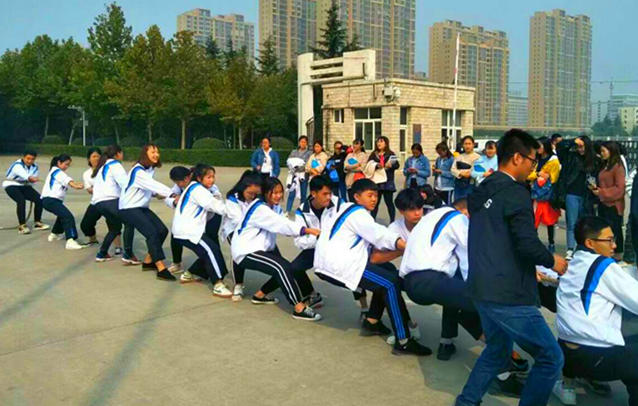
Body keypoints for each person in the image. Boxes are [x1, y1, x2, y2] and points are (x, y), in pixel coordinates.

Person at [455, 129, 569, 406]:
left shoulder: (483, 188)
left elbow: (498, 237)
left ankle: (467, 402)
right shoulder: (516, 193)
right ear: (517, 158)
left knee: (497, 350)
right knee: (551, 357)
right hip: (506, 293)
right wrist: (554, 261)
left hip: (481, 285)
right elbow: (527, 243)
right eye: (532, 161)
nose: (534, 167)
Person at [313, 178, 432, 356]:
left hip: (330, 263)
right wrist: (406, 246)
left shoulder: (344, 209)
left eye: (376, 195)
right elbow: (380, 234)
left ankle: (372, 321)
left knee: (388, 271)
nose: (374, 199)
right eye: (369, 195)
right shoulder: (360, 214)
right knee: (390, 284)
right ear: (356, 197)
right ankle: (403, 341)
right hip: (342, 265)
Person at [553, 216, 638, 406]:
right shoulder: (604, 266)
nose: (614, 245)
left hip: (567, 354)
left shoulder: (572, 263)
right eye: (609, 240)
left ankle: (567, 388)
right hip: (596, 359)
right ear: (590, 243)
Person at [231, 177, 322, 321]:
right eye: (275, 193)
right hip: (246, 250)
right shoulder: (260, 208)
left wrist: (303, 232)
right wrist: (307, 230)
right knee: (281, 267)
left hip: (262, 247)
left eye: (280, 192)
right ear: (265, 192)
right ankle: (299, 308)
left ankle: (260, 295)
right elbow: (281, 224)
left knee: (288, 269)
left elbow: (284, 225)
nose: (279, 196)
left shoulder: (274, 207)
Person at [171, 164, 233, 297]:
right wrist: (233, 210)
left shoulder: (194, 188)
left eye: (213, 177)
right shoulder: (198, 190)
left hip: (185, 231)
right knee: (211, 251)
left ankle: (190, 274)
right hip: (188, 232)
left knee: (210, 249)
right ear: (199, 178)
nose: (212, 180)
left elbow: (209, 211)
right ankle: (218, 284)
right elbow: (213, 205)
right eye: (208, 177)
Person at [119, 144, 177, 281]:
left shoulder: (149, 169)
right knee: (152, 233)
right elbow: (153, 185)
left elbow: (145, 188)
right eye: (153, 152)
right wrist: (173, 194)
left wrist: (155, 194)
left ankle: (148, 261)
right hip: (129, 208)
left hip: (141, 207)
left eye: (157, 152)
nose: (156, 154)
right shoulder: (138, 171)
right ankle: (160, 267)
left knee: (162, 230)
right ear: (145, 154)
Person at [288, 175, 342, 309]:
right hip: (316, 248)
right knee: (294, 268)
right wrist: (318, 237)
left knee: (354, 271)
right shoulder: (302, 211)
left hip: (338, 248)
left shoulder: (340, 205)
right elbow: (299, 242)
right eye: (325, 194)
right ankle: (312, 295)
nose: (329, 197)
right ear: (313, 193)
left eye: (330, 193)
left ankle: (364, 308)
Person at [553, 135, 601, 260]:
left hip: (587, 195)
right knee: (572, 223)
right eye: (578, 147)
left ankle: (583, 248)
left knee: (585, 223)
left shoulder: (595, 160)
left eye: (582, 146)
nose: (580, 149)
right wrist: (572, 141)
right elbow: (560, 147)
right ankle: (570, 248)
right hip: (572, 194)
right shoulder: (571, 157)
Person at [222, 171, 263, 302]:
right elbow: (238, 220)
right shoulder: (232, 197)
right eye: (250, 193)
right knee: (238, 250)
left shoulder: (259, 197)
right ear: (243, 187)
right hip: (234, 229)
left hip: (253, 229)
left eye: (256, 193)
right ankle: (238, 285)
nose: (252, 196)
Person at [92, 145, 137, 264]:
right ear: (118, 154)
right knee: (130, 222)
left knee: (115, 228)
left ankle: (102, 253)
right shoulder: (115, 165)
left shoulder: (102, 166)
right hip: (111, 200)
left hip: (99, 203)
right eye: (122, 153)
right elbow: (124, 184)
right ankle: (128, 254)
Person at [41, 154, 85, 250]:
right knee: (68, 217)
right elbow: (66, 180)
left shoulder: (56, 172)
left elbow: (66, 180)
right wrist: (75, 185)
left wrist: (76, 184)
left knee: (62, 215)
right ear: (59, 163)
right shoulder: (57, 171)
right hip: (50, 200)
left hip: (51, 201)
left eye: (68, 165)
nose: (66, 167)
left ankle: (54, 234)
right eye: (65, 164)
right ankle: (70, 240)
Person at [592, 141, 626, 262]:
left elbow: (620, 188)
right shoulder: (605, 166)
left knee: (615, 229)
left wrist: (602, 192)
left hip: (613, 205)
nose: (601, 154)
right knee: (605, 229)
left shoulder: (618, 167)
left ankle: (618, 253)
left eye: (604, 151)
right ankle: (606, 251)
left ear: (611, 151)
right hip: (603, 203)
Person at [3, 149, 48, 234]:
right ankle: (22, 226)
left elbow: (33, 179)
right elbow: (24, 174)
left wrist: (32, 180)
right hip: (11, 185)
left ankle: (37, 222)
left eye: (32, 159)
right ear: (23, 157)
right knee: (21, 200)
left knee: (39, 199)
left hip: (25, 185)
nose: (30, 161)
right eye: (28, 158)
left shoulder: (35, 167)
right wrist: (30, 178)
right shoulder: (17, 165)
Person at [529, 137, 562, 253]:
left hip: (548, 195)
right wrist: (539, 174)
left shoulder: (554, 160)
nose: (537, 148)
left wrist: (538, 175)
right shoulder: (535, 159)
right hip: (535, 194)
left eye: (540, 146)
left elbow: (553, 178)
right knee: (534, 220)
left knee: (550, 220)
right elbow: (529, 175)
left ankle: (551, 242)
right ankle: (535, 242)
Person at [79, 147, 116, 249]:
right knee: (85, 224)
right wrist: (100, 188)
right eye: (93, 156)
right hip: (96, 201)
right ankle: (93, 239)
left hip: (109, 200)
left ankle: (118, 247)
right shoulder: (87, 174)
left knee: (113, 224)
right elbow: (89, 189)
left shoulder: (107, 169)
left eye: (98, 156)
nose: (96, 159)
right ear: (89, 159)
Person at [164, 166, 193, 276]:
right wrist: (174, 202)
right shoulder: (179, 185)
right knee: (175, 235)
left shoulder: (198, 183)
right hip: (185, 215)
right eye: (176, 183)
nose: (179, 185)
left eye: (179, 182)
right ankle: (177, 263)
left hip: (202, 217)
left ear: (187, 177)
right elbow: (168, 196)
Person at [369, 136, 400, 223]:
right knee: (375, 202)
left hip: (388, 181)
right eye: (378, 142)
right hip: (377, 181)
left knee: (389, 202)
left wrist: (391, 166)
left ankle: (392, 221)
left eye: (381, 142)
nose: (379, 143)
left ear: (386, 144)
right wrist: (376, 165)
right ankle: (372, 220)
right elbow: (369, 164)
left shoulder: (391, 154)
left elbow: (397, 165)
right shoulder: (374, 154)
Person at [285, 136, 312, 214]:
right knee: (292, 192)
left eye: (304, 142)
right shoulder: (294, 152)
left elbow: (308, 163)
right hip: (294, 175)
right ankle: (288, 210)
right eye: (301, 142)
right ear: (299, 142)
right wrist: (293, 168)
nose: (303, 143)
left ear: (306, 143)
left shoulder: (309, 153)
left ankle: (302, 210)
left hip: (304, 175)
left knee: (303, 194)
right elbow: (288, 161)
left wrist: (299, 168)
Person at [451, 135, 481, 201]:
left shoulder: (478, 157)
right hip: (458, 185)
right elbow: (452, 169)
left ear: (473, 144)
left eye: (469, 144)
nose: (467, 146)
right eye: (465, 144)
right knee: (457, 203)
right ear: (462, 145)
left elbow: (475, 171)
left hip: (470, 185)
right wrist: (461, 173)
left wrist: (468, 173)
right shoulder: (459, 156)